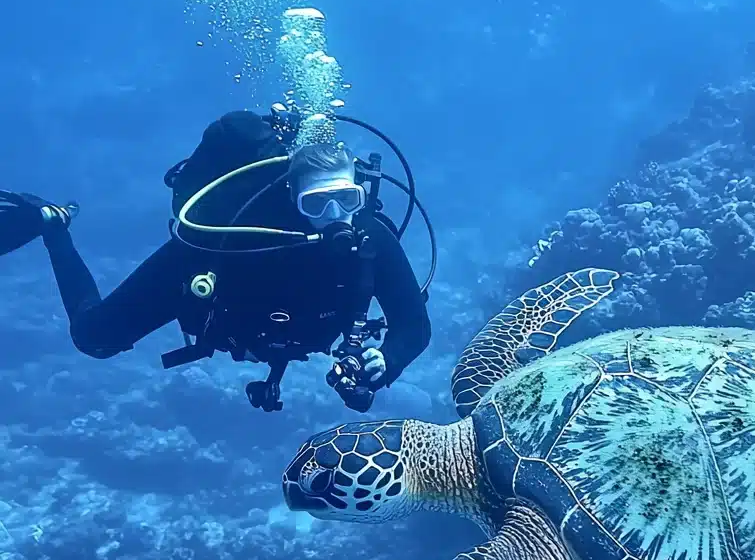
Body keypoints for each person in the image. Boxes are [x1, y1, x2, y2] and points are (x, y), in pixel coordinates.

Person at [0, 108, 432, 412]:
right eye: (317, 203)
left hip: (267, 327)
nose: (335, 216)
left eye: (346, 199)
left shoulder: (370, 238)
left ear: (362, 195)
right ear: (291, 197)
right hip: (207, 272)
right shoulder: (243, 233)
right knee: (92, 338)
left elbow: (414, 325)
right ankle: (52, 227)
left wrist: (387, 360)